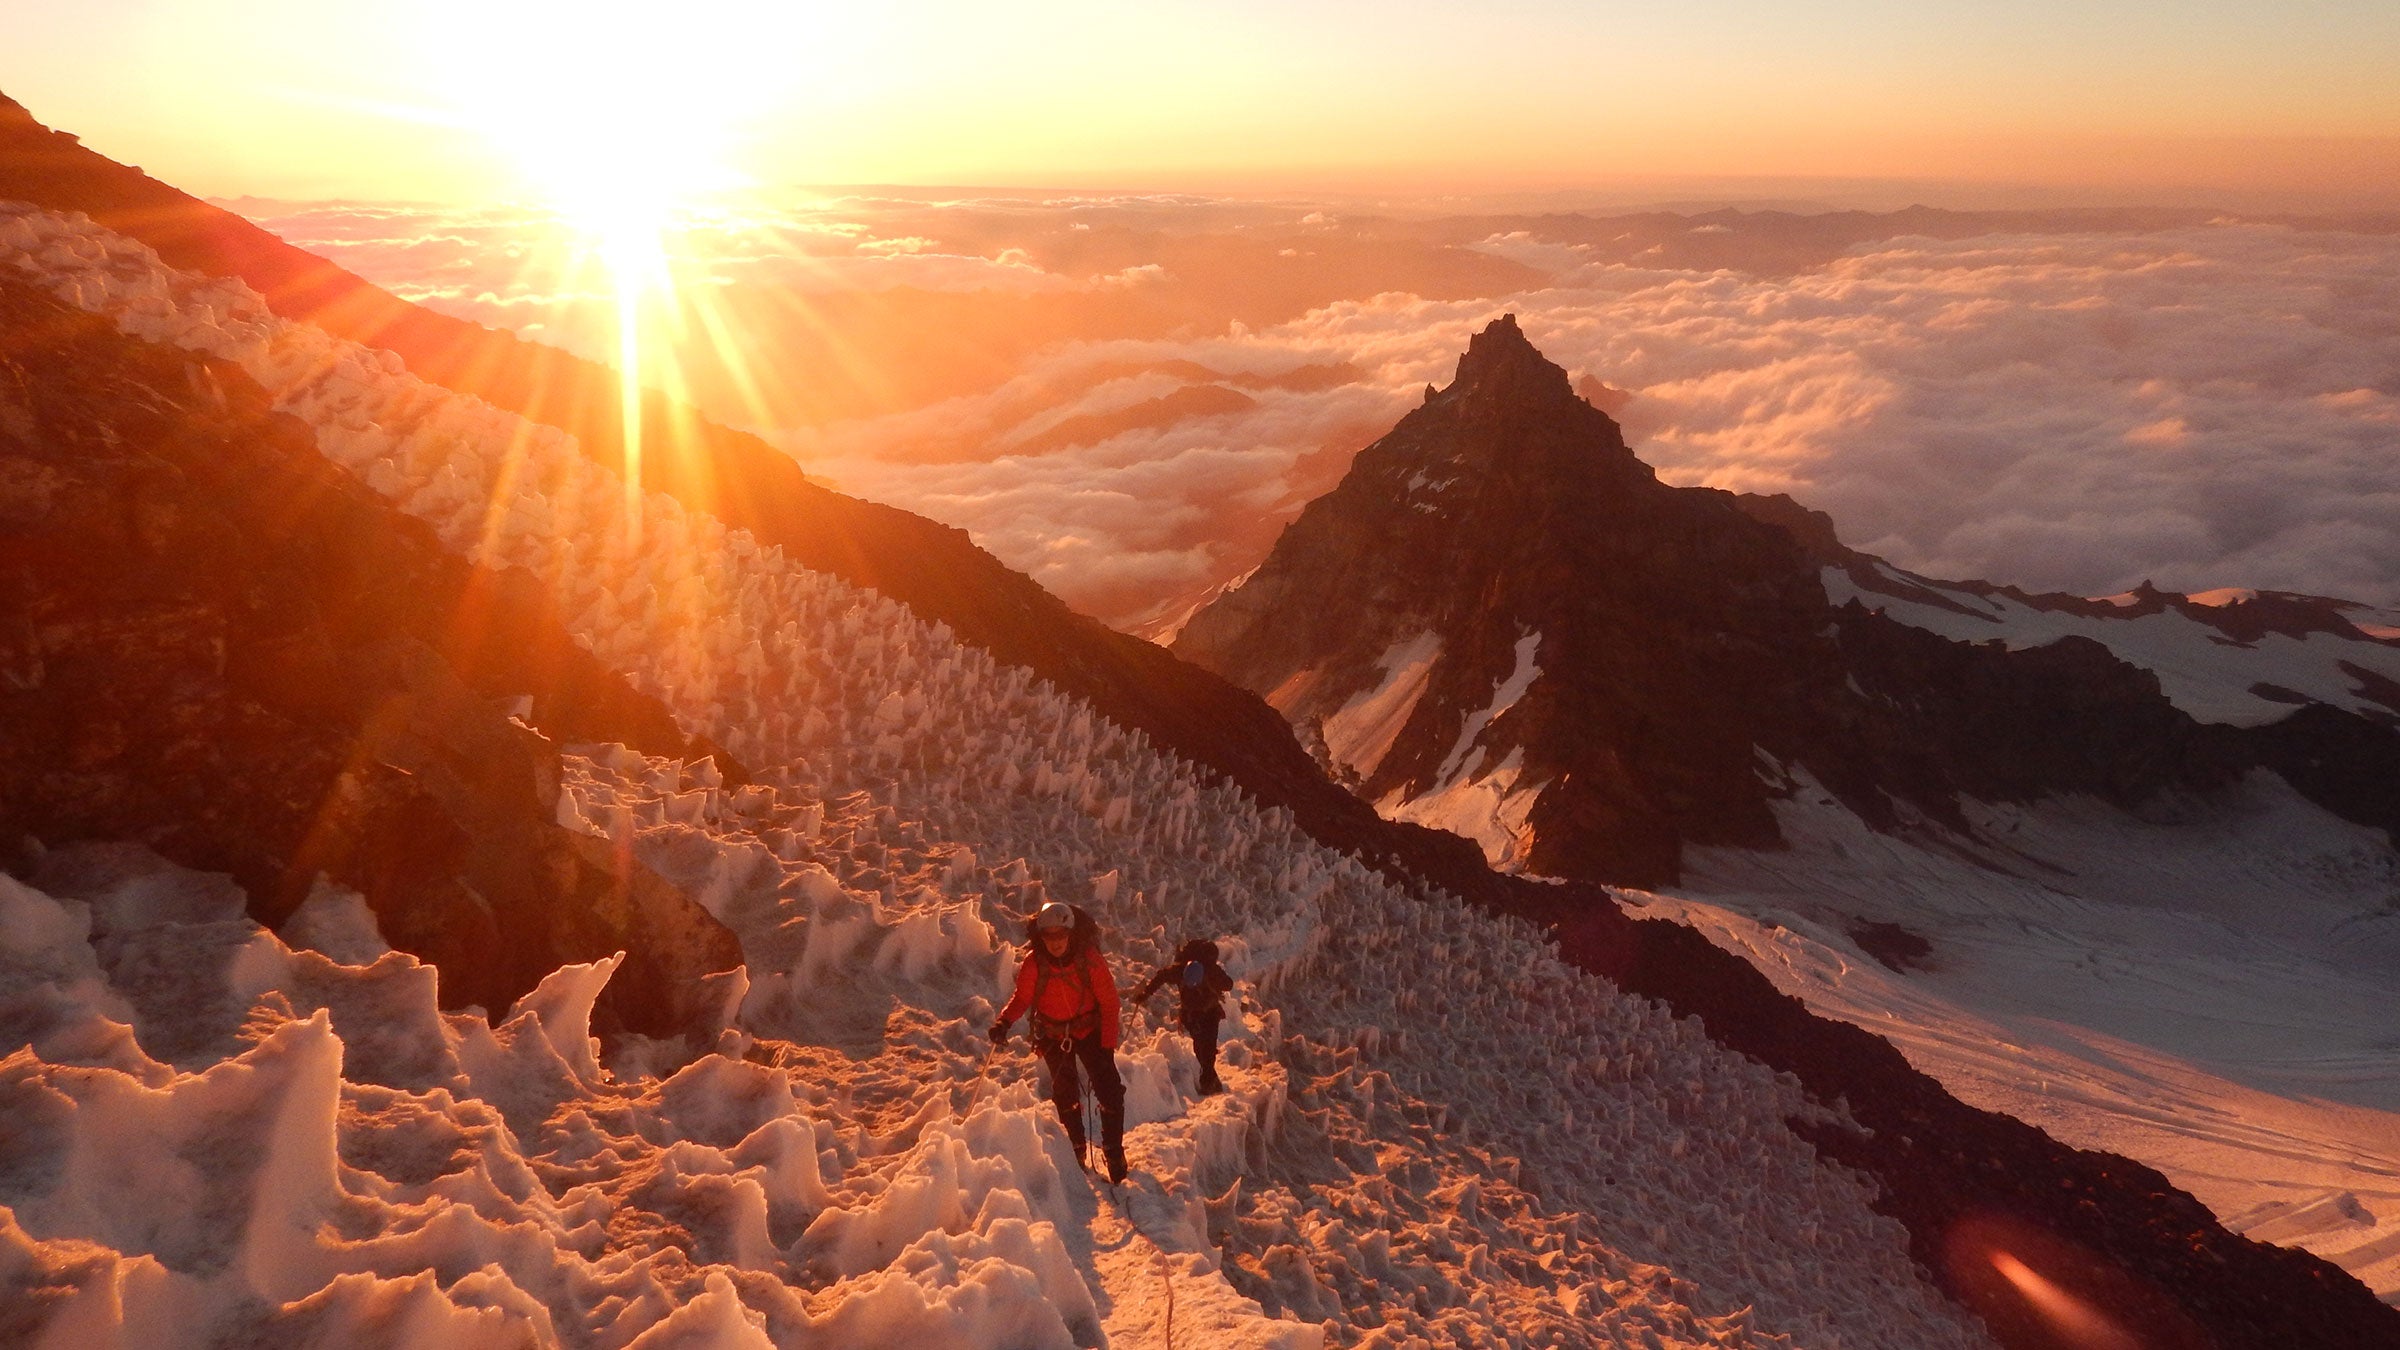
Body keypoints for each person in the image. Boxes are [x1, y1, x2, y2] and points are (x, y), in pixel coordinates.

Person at [990, 901, 1126, 1183]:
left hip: (1089, 1030)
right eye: (1049, 936)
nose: (1055, 942)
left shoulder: (1089, 959)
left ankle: (1113, 1150)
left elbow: (1110, 1003)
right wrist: (1004, 1022)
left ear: (1071, 933)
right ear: (1041, 937)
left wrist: (1107, 1045)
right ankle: (1076, 1148)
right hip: (1053, 1033)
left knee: (1109, 1089)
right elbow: (1023, 998)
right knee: (1065, 1093)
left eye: (1060, 935)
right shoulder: (1034, 963)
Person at [1136, 938, 1234, 1096]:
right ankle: (1209, 1078)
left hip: (1209, 1012)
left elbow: (1229, 984)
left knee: (1207, 1046)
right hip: (1191, 1012)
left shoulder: (1211, 971)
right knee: (1200, 1046)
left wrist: (1219, 980)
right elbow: (1161, 977)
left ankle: (1208, 1080)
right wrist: (1145, 994)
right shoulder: (1178, 971)